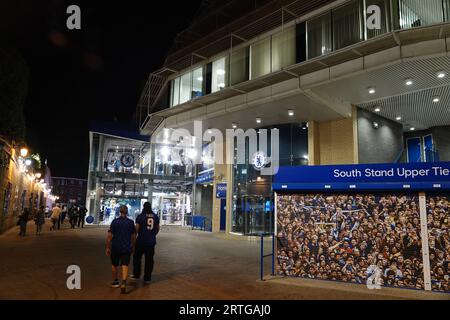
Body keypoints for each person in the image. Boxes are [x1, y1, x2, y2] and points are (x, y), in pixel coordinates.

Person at [106, 205, 136, 294]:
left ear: (120, 211)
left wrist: (108, 247)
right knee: (125, 264)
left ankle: (115, 281)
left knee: (114, 264)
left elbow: (109, 236)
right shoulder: (131, 222)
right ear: (127, 212)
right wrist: (133, 246)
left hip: (115, 246)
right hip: (126, 247)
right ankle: (123, 282)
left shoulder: (115, 222)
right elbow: (134, 236)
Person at [132, 202, 160, 284]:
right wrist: (152, 234)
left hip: (140, 241)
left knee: (137, 258)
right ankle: (147, 278)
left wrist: (133, 240)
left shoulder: (140, 217)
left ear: (143, 207)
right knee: (149, 260)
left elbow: (136, 229)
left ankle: (136, 274)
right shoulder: (155, 216)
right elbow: (157, 228)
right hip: (151, 242)